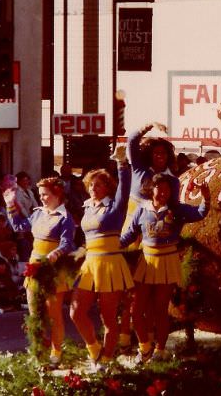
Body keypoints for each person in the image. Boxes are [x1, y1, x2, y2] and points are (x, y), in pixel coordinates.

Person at [120, 174, 210, 363]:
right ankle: (144, 348)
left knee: (161, 310)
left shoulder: (177, 210)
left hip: (167, 262)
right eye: (159, 188)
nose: (162, 193)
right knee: (137, 311)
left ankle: (160, 350)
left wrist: (206, 197)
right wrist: (110, 246)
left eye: (167, 190)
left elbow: (200, 213)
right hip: (146, 262)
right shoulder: (141, 209)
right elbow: (129, 234)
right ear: (151, 189)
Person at [70, 148, 132, 367]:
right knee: (76, 312)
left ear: (108, 187)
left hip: (110, 264)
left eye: (99, 184)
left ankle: (106, 359)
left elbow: (125, 190)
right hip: (90, 264)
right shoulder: (87, 208)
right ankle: (95, 351)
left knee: (108, 318)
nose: (94, 188)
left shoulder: (115, 207)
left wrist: (122, 163)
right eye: (91, 185)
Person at [4, 177, 75, 366]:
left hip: (53, 270)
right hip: (34, 268)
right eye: (40, 194)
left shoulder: (65, 217)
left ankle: (56, 352)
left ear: (57, 194)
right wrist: (10, 204)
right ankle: (38, 352)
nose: (42, 198)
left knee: (54, 315)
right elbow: (19, 226)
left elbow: (67, 243)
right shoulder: (37, 214)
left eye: (45, 194)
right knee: (35, 314)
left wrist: (54, 254)